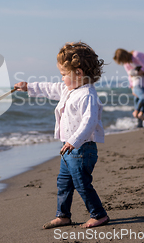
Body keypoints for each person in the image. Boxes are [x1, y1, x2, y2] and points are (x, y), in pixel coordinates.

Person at [14, 42, 109, 229]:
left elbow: (89, 122)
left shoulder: (87, 95)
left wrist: (74, 141)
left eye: (64, 74)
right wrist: (28, 87)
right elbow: (49, 88)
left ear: (79, 73)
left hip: (82, 149)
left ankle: (99, 214)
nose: (62, 78)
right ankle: (63, 215)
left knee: (81, 183)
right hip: (69, 149)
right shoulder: (69, 89)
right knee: (63, 183)